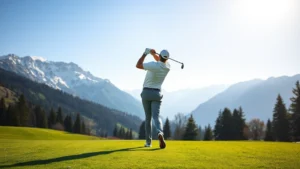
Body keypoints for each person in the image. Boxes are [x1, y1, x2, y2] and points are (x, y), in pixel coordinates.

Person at [136, 48, 171, 149]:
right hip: (157, 94)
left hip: (146, 93)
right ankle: (160, 133)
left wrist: (145, 54)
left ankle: (148, 142)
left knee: (148, 118)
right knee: (156, 117)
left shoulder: (153, 65)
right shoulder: (167, 67)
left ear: (160, 56)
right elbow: (160, 61)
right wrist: (153, 54)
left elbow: (138, 65)